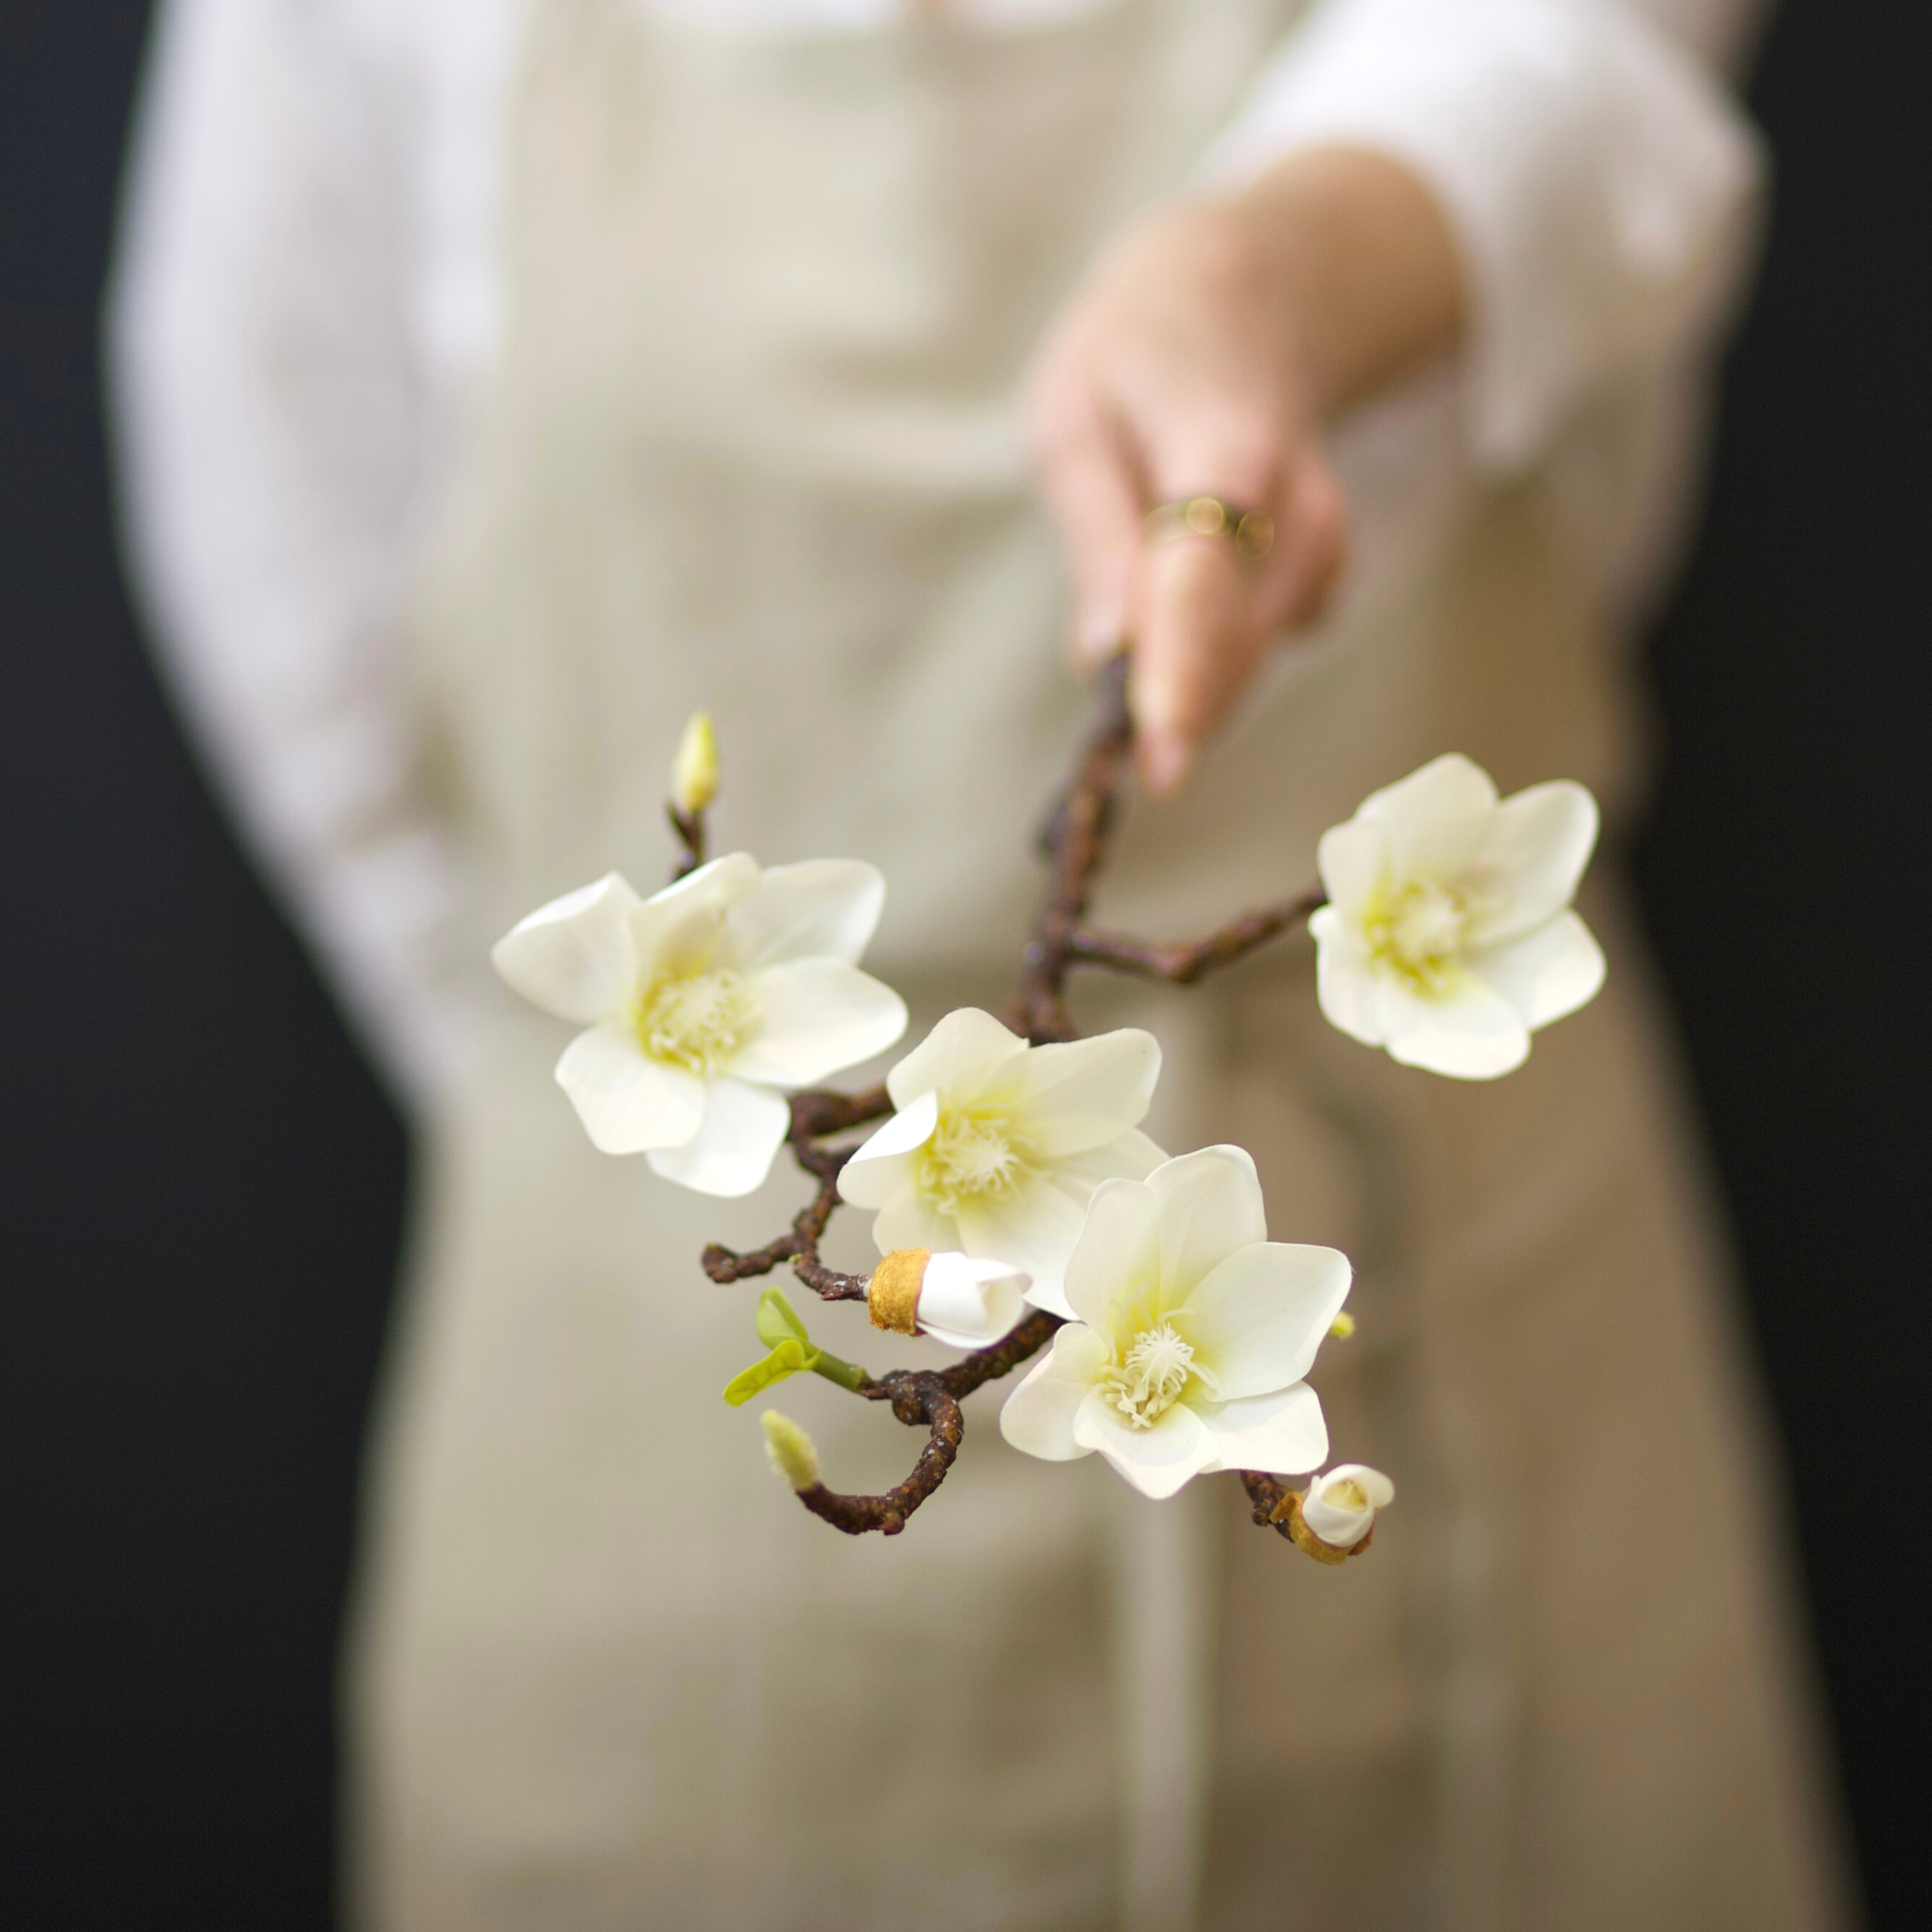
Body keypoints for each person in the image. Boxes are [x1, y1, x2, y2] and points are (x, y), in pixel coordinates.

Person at [110, 1, 1852, 1926]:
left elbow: (1579, 66)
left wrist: (1262, 278)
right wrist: (630, 1080)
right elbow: (294, 559)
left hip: (1439, 1320)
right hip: (670, 1409)